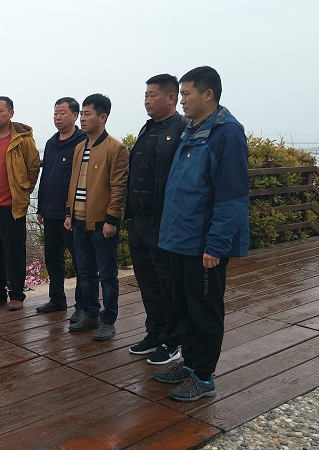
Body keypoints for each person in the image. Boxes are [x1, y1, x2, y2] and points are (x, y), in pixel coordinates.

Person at [153, 66, 249, 402]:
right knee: (184, 308)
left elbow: (232, 195)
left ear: (208, 94)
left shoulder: (227, 134)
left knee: (204, 311)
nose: (181, 100)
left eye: (186, 93)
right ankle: (191, 364)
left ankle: (204, 377)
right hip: (180, 238)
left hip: (203, 244)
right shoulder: (193, 130)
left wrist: (217, 245)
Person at [126, 74, 188, 365]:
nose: (147, 101)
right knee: (147, 281)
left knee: (167, 283)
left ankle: (171, 340)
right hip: (139, 218)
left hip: (163, 220)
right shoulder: (147, 128)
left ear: (171, 97)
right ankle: (154, 333)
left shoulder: (182, 129)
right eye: (145, 95)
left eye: (152, 95)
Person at [64, 94, 129, 341]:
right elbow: (73, 184)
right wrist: (69, 213)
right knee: (85, 272)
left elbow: (119, 188)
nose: (82, 118)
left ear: (102, 117)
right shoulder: (79, 147)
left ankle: (108, 320)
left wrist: (112, 220)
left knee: (108, 275)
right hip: (79, 221)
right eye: (81, 113)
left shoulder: (115, 148)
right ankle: (90, 313)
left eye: (87, 114)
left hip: (103, 223)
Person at [0, 96, 40, 311]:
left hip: (11, 206)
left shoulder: (23, 140)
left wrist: (23, 191)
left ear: (11, 114)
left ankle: (17, 295)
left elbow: (33, 168)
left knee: (14, 253)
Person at [35, 98, 86, 316]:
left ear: (75, 116)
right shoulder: (51, 142)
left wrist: (70, 211)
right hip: (50, 211)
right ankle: (57, 299)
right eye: (55, 113)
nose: (57, 117)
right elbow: (46, 175)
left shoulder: (82, 142)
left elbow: (81, 180)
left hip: (70, 214)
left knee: (80, 260)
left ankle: (83, 306)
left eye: (62, 113)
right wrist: (40, 206)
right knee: (53, 258)